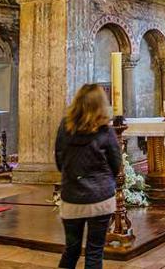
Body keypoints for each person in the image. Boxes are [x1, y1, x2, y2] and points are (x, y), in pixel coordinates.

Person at [55, 84, 121, 269]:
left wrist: (73, 177)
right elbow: (116, 164)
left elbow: (59, 160)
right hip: (100, 198)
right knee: (94, 252)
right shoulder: (106, 131)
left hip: (72, 197)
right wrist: (104, 181)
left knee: (71, 250)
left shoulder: (64, 127)